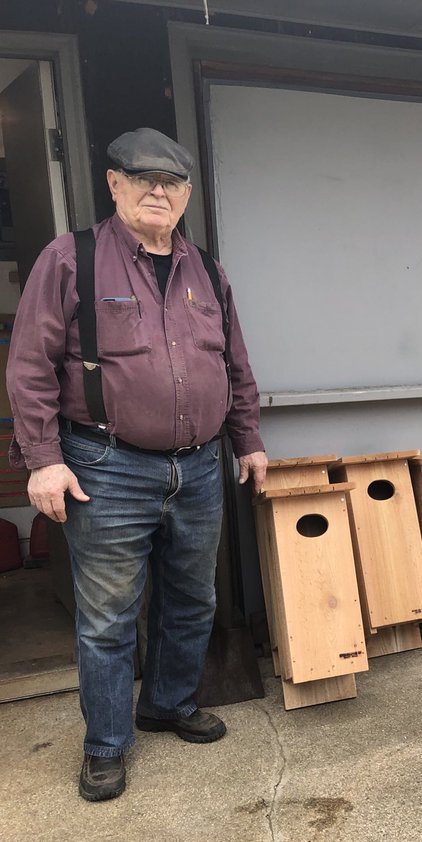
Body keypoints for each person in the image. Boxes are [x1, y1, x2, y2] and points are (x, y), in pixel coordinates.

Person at [5, 127, 267, 802]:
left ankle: (169, 704)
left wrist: (250, 441)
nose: (159, 191)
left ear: (186, 195)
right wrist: (42, 459)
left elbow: (232, 365)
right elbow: (31, 366)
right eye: (143, 178)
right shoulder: (72, 259)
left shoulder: (207, 271)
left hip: (200, 467)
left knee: (191, 599)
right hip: (106, 466)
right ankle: (106, 745)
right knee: (108, 617)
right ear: (114, 183)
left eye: (172, 182)